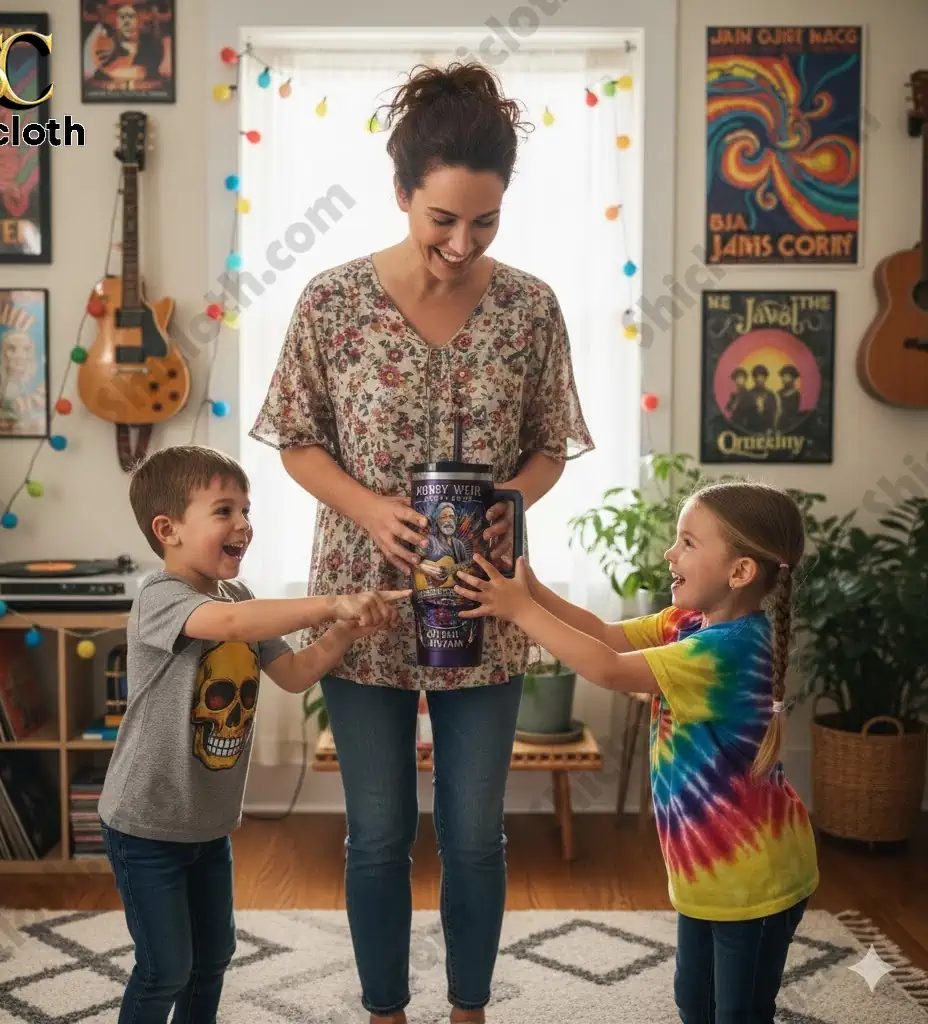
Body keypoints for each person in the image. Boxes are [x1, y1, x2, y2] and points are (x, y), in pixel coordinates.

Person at [250, 61, 593, 1024]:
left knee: (477, 833)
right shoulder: (331, 302)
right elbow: (298, 439)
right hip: (360, 604)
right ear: (403, 191)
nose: (461, 240)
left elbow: (547, 449)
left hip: (487, 599)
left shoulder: (531, 307)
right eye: (441, 216)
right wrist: (365, 506)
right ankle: (386, 1011)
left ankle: (469, 1011)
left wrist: (512, 501)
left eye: (484, 221)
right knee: (378, 833)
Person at [453, 479, 820, 1024]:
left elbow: (605, 667)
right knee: (695, 1002)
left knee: (738, 1012)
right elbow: (603, 633)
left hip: (756, 880)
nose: (671, 553)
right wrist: (527, 593)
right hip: (710, 877)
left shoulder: (722, 649)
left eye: (689, 543)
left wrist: (520, 612)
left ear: (739, 572)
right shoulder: (689, 624)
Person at [97, 444, 409, 1024]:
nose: (244, 524)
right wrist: (333, 600)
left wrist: (344, 631)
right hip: (145, 824)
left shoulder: (238, 596)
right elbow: (233, 626)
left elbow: (292, 675)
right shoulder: (159, 599)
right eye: (224, 511)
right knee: (165, 967)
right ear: (169, 530)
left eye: (246, 509)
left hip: (207, 825)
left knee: (213, 957)